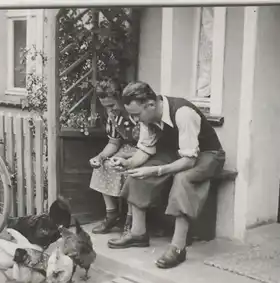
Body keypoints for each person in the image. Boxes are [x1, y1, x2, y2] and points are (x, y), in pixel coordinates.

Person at [107, 81, 226, 269]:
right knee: (138, 172)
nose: (136, 120)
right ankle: (138, 233)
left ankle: (178, 248)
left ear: (151, 104)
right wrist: (128, 163)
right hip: (177, 153)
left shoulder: (183, 113)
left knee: (183, 178)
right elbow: (145, 150)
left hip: (207, 155)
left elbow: (189, 162)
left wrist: (156, 170)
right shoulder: (148, 117)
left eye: (137, 115)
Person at [89, 79, 140, 234]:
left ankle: (131, 221)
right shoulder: (113, 117)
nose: (110, 110)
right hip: (125, 148)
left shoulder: (136, 114)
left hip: (144, 151)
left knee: (129, 169)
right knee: (104, 165)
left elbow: (150, 145)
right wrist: (100, 157)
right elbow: (113, 142)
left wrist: (128, 155)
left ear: (121, 99)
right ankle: (112, 214)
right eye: (106, 107)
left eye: (112, 105)